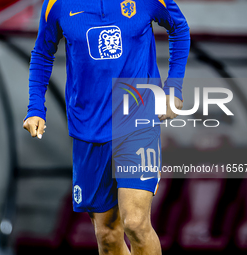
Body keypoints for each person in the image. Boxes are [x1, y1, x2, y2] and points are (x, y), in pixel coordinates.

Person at [23, 0, 190, 254]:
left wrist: (174, 87)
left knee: (135, 222)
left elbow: (179, 27)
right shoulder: (56, 5)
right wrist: (36, 108)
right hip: (88, 129)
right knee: (108, 234)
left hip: (137, 121)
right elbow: (42, 54)